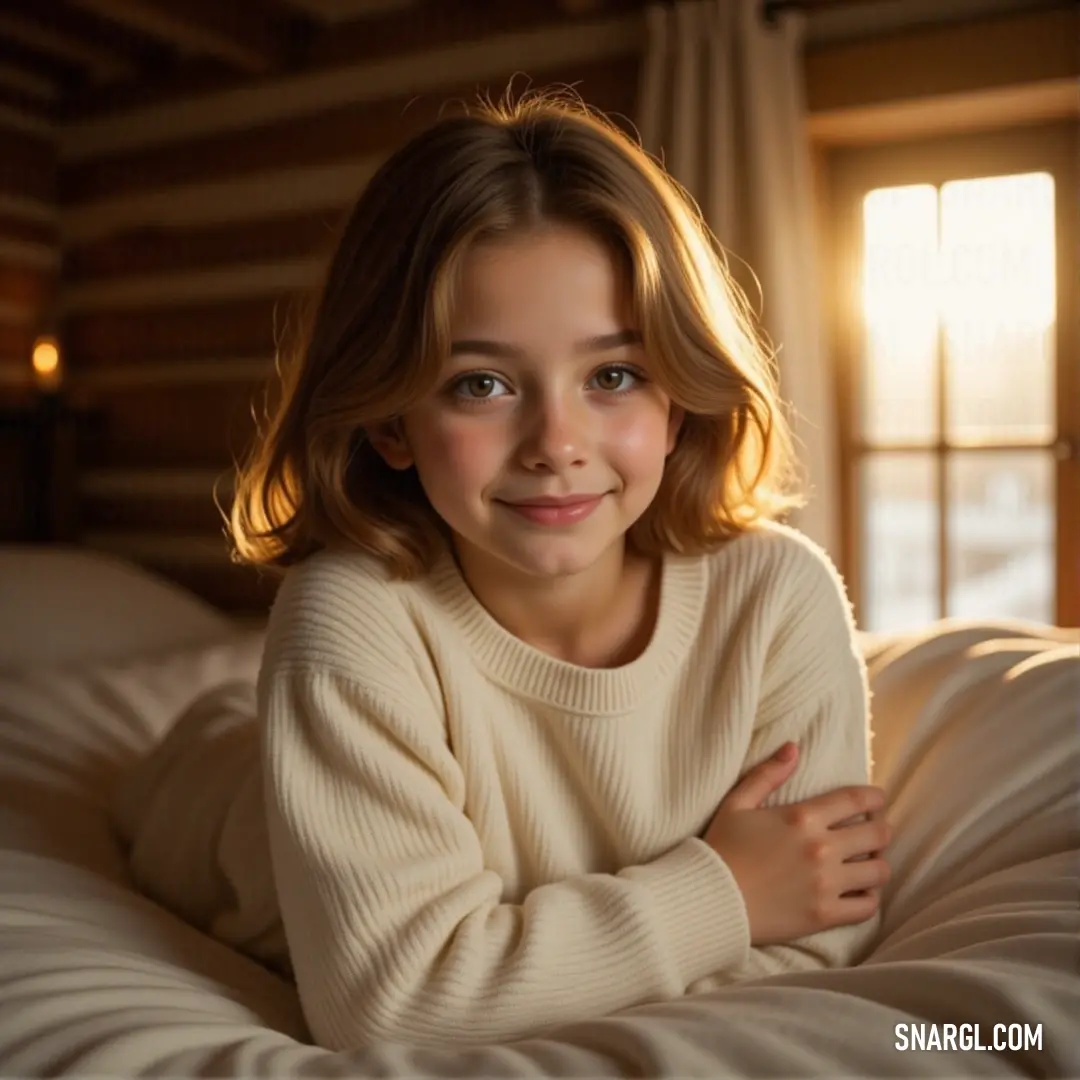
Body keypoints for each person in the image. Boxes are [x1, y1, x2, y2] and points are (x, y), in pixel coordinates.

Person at [227, 90, 890, 1052]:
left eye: (612, 375)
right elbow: (389, 1006)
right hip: (226, 832)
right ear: (389, 421)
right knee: (186, 786)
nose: (556, 444)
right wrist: (729, 891)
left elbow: (822, 937)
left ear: (677, 400)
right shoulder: (349, 619)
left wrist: (501, 973)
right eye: (481, 383)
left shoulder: (775, 597)